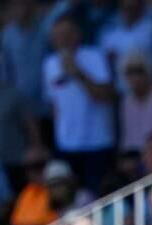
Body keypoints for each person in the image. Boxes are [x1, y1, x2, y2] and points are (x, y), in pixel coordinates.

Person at [42, 14, 117, 194]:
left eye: (67, 33)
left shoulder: (94, 56)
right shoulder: (49, 64)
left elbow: (107, 95)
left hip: (98, 142)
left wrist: (78, 73)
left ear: (78, 34)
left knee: (98, 198)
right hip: (66, 145)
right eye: (58, 34)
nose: (63, 39)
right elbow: (54, 105)